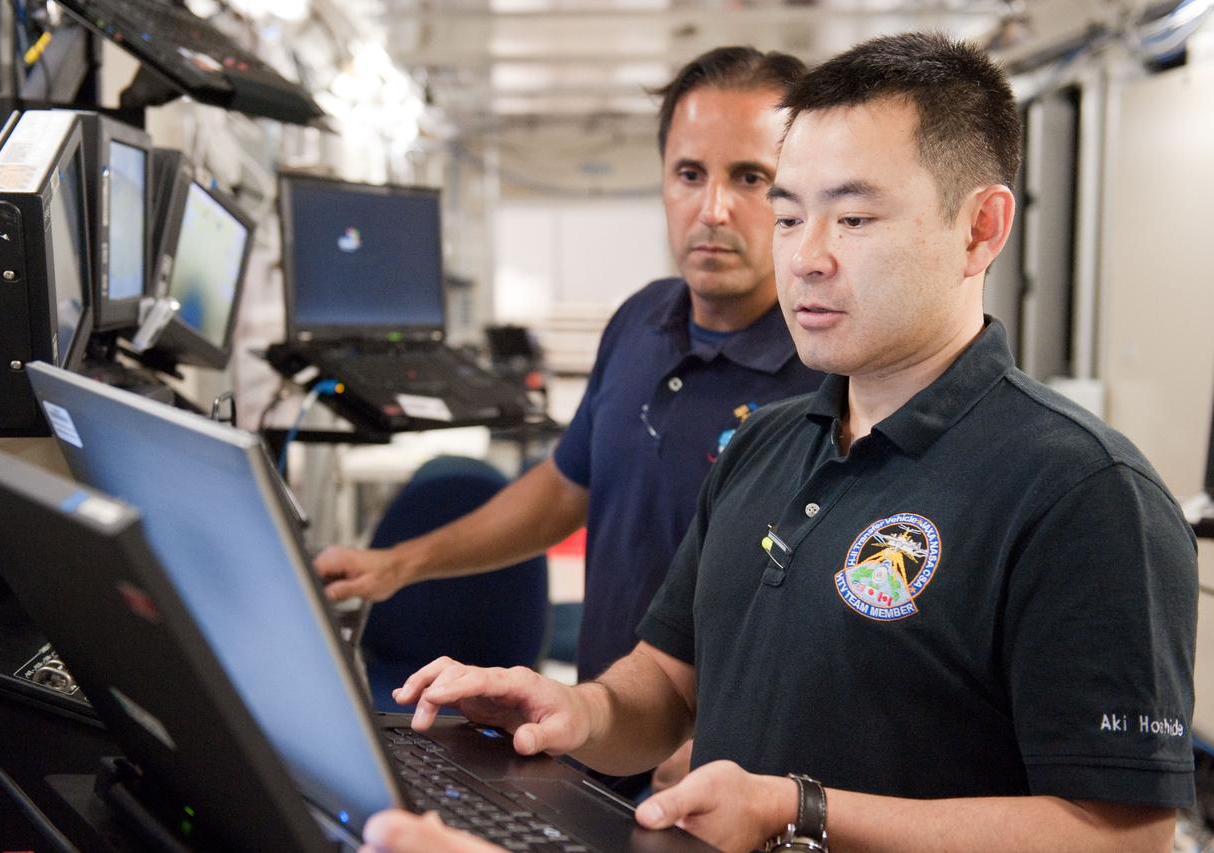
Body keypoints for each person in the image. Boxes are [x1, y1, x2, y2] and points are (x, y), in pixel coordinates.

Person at [358, 31, 1199, 853]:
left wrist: (804, 810)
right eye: (790, 216)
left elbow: (1124, 834)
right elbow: (663, 686)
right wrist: (574, 712)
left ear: (980, 228)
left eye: (855, 217)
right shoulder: (765, 448)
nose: (806, 258)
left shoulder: (1083, 493)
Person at [316, 45, 823, 791]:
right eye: (690, 174)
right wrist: (400, 564)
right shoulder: (641, 322)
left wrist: (727, 739)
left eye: (751, 178)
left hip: (732, 779)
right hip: (601, 735)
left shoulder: (827, 372)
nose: (712, 209)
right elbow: (563, 489)